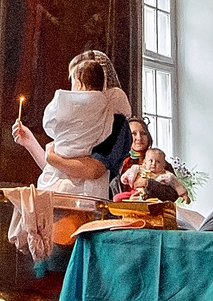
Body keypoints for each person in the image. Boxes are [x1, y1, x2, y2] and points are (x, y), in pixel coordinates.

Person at [12, 49, 134, 197]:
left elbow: (92, 170)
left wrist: (53, 158)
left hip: (92, 201)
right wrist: (29, 142)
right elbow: (59, 171)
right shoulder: (78, 118)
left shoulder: (115, 120)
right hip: (63, 196)